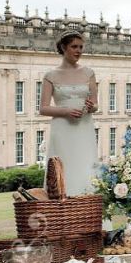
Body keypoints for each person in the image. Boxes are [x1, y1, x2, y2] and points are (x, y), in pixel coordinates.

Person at [39, 30, 98, 196]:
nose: (79, 50)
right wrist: (65, 111)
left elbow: (95, 105)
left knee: (86, 165)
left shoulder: (89, 73)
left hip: (84, 127)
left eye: (81, 47)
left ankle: (88, 212)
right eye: (74, 46)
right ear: (64, 47)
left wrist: (91, 107)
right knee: (62, 167)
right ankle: (62, 212)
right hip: (62, 128)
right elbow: (43, 108)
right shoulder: (50, 75)